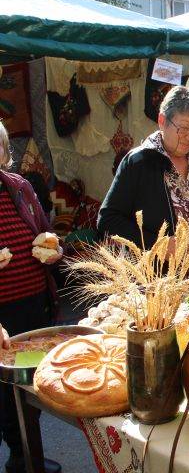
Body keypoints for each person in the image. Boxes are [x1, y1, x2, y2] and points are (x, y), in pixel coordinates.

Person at [98, 86, 189, 261]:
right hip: (156, 278)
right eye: (185, 128)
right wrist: (158, 245)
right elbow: (108, 221)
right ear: (162, 121)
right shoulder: (139, 162)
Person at [0, 124, 63, 473]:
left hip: (32, 306)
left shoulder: (20, 187)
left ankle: (24, 456)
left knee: (28, 385)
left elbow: (46, 234)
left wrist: (53, 250)